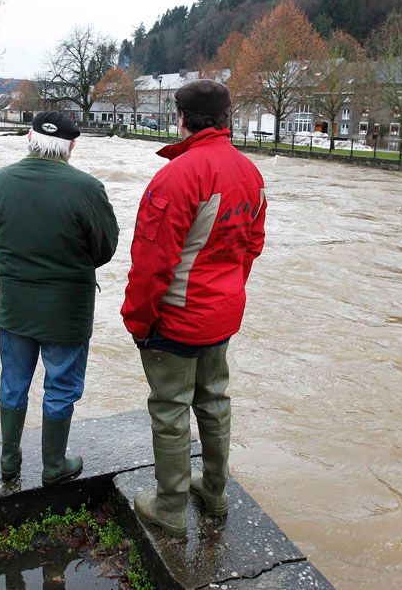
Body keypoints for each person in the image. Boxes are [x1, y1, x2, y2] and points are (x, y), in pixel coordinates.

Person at [121, 80, 266, 538]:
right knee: (215, 400)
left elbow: (151, 261)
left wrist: (137, 320)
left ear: (181, 119)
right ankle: (215, 490)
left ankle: (170, 506)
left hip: (177, 318)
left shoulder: (178, 175)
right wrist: (227, 298)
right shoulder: (250, 173)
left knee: (170, 410)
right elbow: (251, 247)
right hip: (222, 314)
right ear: (227, 119)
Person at [0, 111, 119, 486]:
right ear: (71, 145)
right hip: (66, 309)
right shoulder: (86, 188)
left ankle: (9, 461)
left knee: (13, 381)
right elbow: (105, 247)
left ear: (29, 138)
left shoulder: (1, 180)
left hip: (15, 305)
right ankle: (54, 465)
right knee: (60, 385)